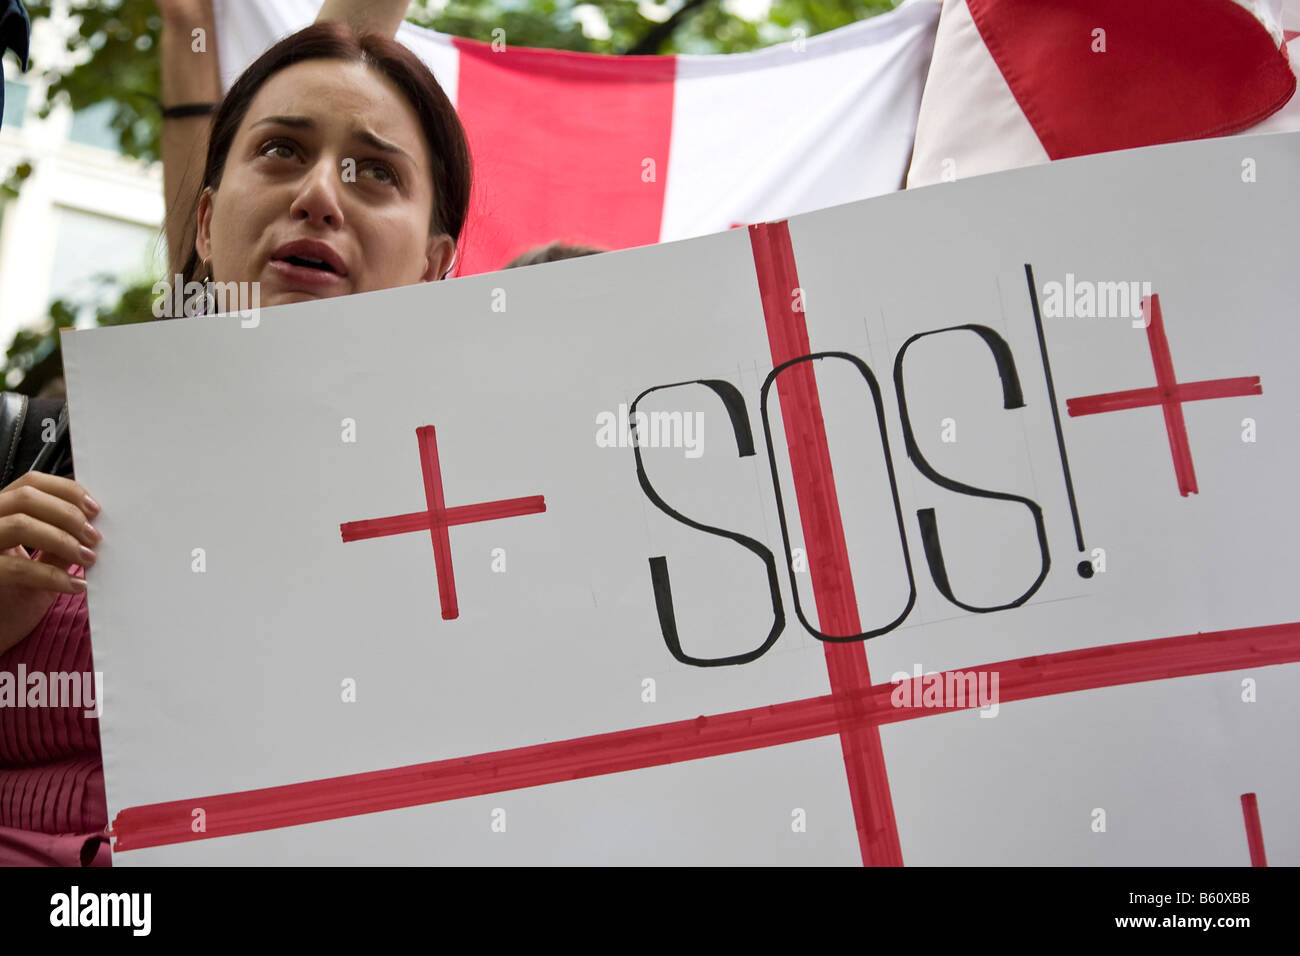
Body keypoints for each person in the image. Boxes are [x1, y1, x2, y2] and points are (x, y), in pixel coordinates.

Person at [0, 4, 471, 865]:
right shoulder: (26, 452)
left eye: (375, 173)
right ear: (208, 223)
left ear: (438, 269)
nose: (319, 195)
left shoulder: (491, 541)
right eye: (282, 150)